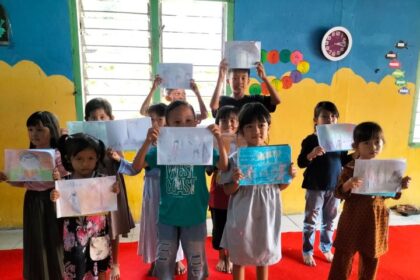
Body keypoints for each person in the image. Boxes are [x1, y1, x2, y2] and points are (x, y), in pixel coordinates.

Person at [132, 100, 228, 279]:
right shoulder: (162, 148)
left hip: (194, 216)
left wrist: (220, 140)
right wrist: (147, 142)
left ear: (195, 122)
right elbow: (137, 166)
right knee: (164, 260)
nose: (183, 125)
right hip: (168, 217)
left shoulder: (202, 146)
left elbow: (223, 165)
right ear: (167, 125)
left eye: (188, 120)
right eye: (176, 122)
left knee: (196, 261)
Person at [220, 102, 297, 280]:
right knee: (239, 255)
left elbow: (280, 187)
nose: (256, 130)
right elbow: (227, 191)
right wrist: (236, 181)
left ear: (268, 127)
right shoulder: (235, 159)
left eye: (261, 125)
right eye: (250, 126)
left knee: (264, 254)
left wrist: (289, 177)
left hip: (267, 212)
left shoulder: (276, 157)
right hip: (242, 212)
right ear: (241, 132)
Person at [109, 103, 186, 276]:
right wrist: (119, 159)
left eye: (160, 119)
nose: (156, 124)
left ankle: (177, 258)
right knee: (153, 225)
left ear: (168, 121)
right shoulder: (144, 143)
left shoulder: (176, 139)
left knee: (174, 225)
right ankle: (154, 259)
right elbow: (134, 168)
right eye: (152, 120)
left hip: (173, 188)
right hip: (152, 190)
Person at [328, 122, 411, 280]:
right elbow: (337, 193)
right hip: (352, 218)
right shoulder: (350, 168)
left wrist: (400, 185)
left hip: (375, 219)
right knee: (343, 256)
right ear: (356, 146)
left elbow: (388, 194)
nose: (373, 147)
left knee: (371, 257)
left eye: (377, 142)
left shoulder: (385, 168)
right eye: (367, 143)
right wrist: (347, 185)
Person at [0, 111, 66, 280]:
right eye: (30, 130)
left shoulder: (58, 154)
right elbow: (23, 182)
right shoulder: (26, 155)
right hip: (32, 201)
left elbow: (68, 176)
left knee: (53, 239)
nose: (34, 134)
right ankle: (38, 275)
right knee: (35, 240)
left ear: (52, 130)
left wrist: (59, 176)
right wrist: (7, 178)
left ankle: (57, 274)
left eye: (39, 130)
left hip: (52, 200)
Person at [50, 133, 120, 280]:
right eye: (79, 159)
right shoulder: (64, 182)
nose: (85, 163)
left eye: (90, 158)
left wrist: (113, 191)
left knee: (101, 262)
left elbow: (110, 203)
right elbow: (59, 211)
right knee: (76, 265)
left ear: (97, 159)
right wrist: (55, 198)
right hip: (74, 234)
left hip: (98, 230)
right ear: (69, 158)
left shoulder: (102, 180)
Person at [84, 98, 135, 280]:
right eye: (93, 118)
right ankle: (95, 262)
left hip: (113, 188)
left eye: (102, 117)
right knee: (93, 227)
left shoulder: (115, 140)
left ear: (110, 118)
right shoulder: (84, 140)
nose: (98, 121)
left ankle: (115, 263)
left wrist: (114, 156)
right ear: (86, 120)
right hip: (92, 189)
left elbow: (125, 164)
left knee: (113, 227)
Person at [297, 101, 353, 266]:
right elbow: (301, 162)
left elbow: (344, 160)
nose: (330, 119)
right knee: (310, 220)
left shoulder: (341, 140)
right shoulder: (310, 140)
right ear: (316, 119)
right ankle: (307, 250)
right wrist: (311, 154)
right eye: (325, 116)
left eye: (333, 116)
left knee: (330, 220)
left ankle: (326, 247)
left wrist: (356, 155)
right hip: (315, 186)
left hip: (335, 186)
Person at [207, 105, 240, 274]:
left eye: (233, 120)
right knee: (219, 227)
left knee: (235, 227)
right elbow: (208, 170)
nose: (229, 123)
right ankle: (222, 256)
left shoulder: (243, 140)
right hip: (219, 195)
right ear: (217, 123)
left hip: (238, 193)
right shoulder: (213, 142)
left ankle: (233, 256)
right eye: (224, 120)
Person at [209, 58, 281, 117]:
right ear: (228, 81)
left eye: (243, 78)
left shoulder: (254, 101)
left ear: (248, 81)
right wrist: (220, 78)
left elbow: (276, 100)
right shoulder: (223, 100)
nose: (239, 82)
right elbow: (213, 107)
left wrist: (264, 78)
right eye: (235, 78)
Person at [139, 75, 208, 122]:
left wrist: (197, 93)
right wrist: (153, 89)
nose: (182, 96)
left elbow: (204, 115)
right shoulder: (164, 111)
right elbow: (143, 111)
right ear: (168, 97)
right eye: (177, 93)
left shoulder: (187, 114)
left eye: (184, 93)